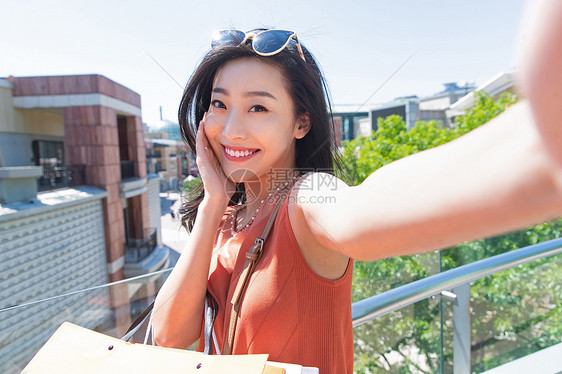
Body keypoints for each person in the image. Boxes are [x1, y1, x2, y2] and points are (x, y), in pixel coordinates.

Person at [153, 2, 562, 372]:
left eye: (258, 107)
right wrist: (212, 204)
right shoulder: (227, 215)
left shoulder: (305, 196)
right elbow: (170, 336)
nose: (231, 129)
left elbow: (362, 210)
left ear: (301, 123)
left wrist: (542, 146)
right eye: (220, 104)